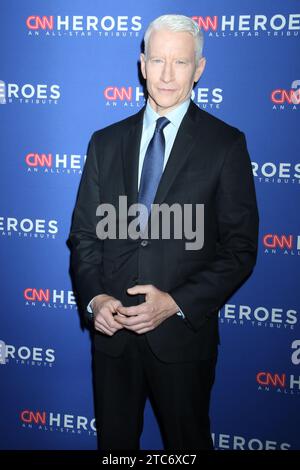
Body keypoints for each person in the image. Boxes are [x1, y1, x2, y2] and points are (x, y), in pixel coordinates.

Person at [69, 14, 259, 450]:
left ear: (200, 68)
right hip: (112, 339)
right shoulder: (105, 142)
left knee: (186, 447)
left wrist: (174, 303)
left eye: (180, 62)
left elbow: (240, 248)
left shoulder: (225, 144)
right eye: (158, 60)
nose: (168, 74)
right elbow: (84, 234)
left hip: (181, 340)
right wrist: (96, 299)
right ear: (142, 64)